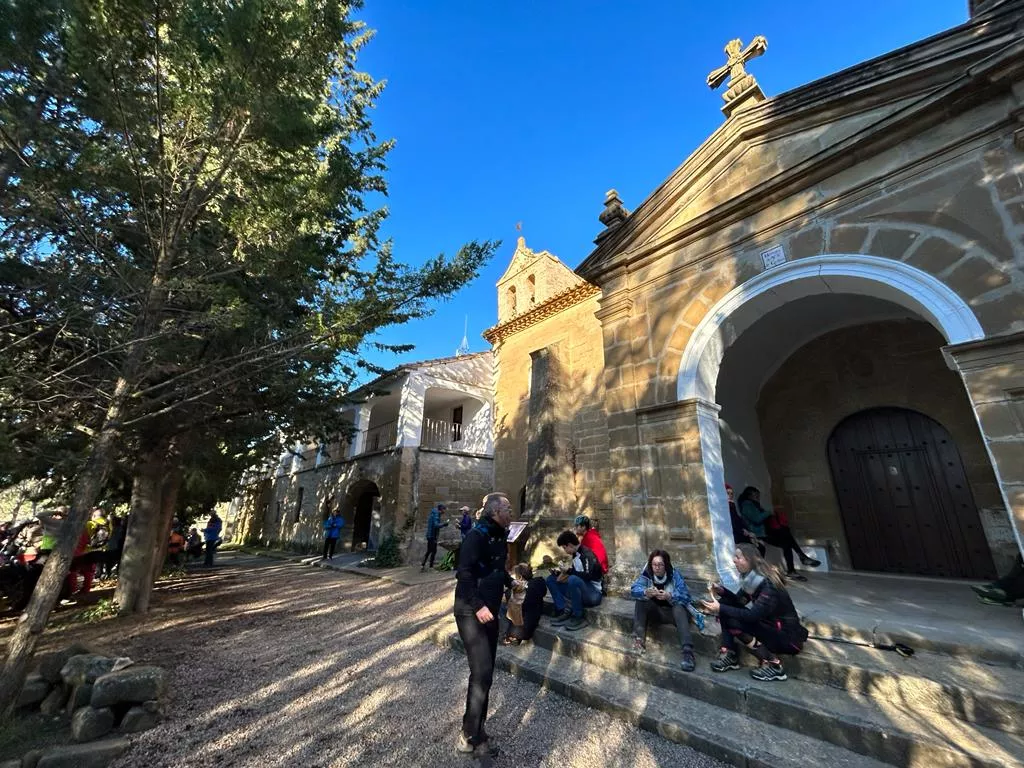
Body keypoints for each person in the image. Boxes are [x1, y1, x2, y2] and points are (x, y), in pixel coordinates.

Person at [453, 492, 512, 758]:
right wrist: (479, 606)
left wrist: (512, 584)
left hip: (490, 611)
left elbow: (496, 568)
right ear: (495, 512)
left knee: (486, 675)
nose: (512, 513)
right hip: (470, 610)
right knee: (481, 671)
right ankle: (469, 735)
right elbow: (464, 574)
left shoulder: (501, 536)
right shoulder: (475, 536)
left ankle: (478, 728)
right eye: (508, 508)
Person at [701, 542, 808, 682]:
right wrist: (721, 590)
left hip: (787, 638)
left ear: (749, 560)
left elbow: (752, 616)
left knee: (730, 617)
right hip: (770, 627)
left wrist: (720, 609)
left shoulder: (767, 585)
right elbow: (739, 602)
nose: (734, 560)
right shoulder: (752, 579)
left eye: (738, 557)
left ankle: (774, 665)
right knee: (726, 605)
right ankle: (730, 653)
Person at [629, 549, 705, 671]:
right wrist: (645, 592)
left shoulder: (674, 575)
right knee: (641, 600)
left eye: (660, 565)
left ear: (666, 565)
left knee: (678, 607)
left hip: (675, 615)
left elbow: (686, 596)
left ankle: (688, 652)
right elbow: (633, 590)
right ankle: (639, 641)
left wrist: (670, 596)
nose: (657, 568)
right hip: (658, 613)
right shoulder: (647, 574)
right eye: (654, 564)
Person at [545, 530, 603, 631]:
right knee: (551, 579)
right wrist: (560, 573)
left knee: (573, 579)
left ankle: (578, 616)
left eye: (564, 547)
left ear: (570, 545)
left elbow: (587, 576)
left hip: (593, 593)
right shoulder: (575, 555)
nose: (564, 550)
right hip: (580, 588)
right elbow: (576, 573)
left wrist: (569, 571)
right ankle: (563, 610)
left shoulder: (587, 554)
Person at [763, 505, 820, 581]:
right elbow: (756, 519)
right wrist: (767, 513)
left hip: (771, 534)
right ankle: (801, 558)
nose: (757, 497)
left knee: (786, 540)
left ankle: (793, 569)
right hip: (761, 536)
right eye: (755, 495)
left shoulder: (756, 506)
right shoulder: (747, 505)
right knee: (786, 536)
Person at [504, 566, 547, 645]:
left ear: (519, 577)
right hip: (536, 614)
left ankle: (509, 635)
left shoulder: (514, 591)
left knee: (503, 608)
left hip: (522, 628)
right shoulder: (539, 582)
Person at [421, 503, 448, 572]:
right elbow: (436, 525)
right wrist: (444, 524)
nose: (444, 512)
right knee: (433, 551)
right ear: (441, 509)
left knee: (429, 551)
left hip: (430, 535)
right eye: (444, 510)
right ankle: (431, 567)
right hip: (432, 536)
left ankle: (422, 565)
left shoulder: (434, 513)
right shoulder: (436, 515)